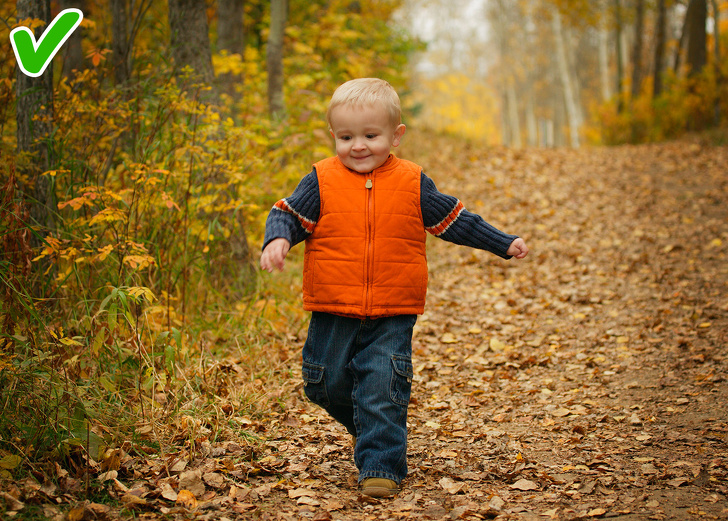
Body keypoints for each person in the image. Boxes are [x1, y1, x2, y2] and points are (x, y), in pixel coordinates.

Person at [260, 78, 528, 497]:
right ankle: (373, 427)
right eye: (346, 137)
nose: (358, 146)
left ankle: (380, 465)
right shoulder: (321, 180)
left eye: (370, 135)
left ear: (395, 136)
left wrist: (501, 242)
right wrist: (278, 238)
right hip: (333, 305)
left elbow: (457, 220)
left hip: (393, 308)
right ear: (334, 135)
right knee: (322, 383)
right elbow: (289, 214)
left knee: (383, 384)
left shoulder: (412, 181)